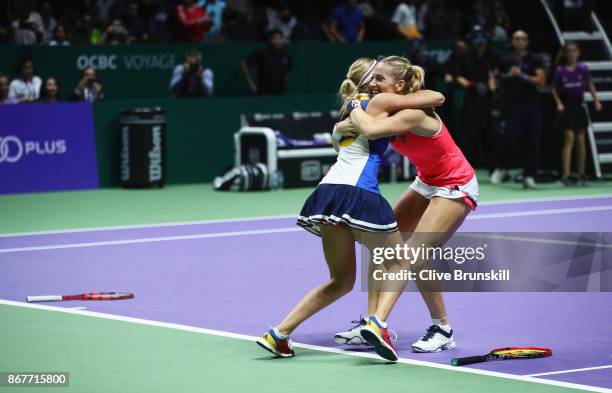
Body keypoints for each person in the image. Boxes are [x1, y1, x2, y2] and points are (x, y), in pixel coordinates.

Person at [256, 58, 445, 360]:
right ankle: (377, 323)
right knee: (399, 262)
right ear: (370, 81)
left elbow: (339, 143)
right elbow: (436, 97)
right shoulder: (379, 101)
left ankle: (278, 333)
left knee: (341, 282)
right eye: (377, 74)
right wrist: (398, 93)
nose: (379, 79)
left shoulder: (346, 109)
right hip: (360, 194)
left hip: (326, 193)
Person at [335, 55, 478, 357]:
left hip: (455, 184)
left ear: (399, 85)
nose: (373, 84)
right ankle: (370, 323)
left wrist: (353, 105)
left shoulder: (413, 113)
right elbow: (344, 129)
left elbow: (370, 130)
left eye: (380, 79)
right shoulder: (385, 107)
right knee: (380, 242)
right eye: (371, 79)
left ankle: (440, 328)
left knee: (416, 257)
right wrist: (351, 115)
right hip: (426, 182)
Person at [491, 30, 546, 189]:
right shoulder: (505, 60)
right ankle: (501, 168)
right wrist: (495, 89)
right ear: (512, 42)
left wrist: (522, 75)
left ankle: (529, 176)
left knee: (533, 141)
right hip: (512, 106)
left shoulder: (535, 59)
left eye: (523, 38)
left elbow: (541, 81)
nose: (520, 41)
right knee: (509, 139)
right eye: (517, 39)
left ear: (527, 42)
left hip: (532, 106)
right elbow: (494, 76)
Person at [552, 42, 602, 186]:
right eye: (569, 51)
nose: (571, 54)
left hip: (579, 105)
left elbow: (590, 84)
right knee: (569, 138)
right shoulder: (560, 70)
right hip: (567, 105)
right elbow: (554, 89)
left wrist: (596, 100)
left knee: (581, 139)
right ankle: (566, 175)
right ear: (565, 53)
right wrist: (559, 103)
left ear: (578, 52)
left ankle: (581, 174)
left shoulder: (583, 68)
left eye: (574, 51)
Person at [455, 26, 499, 167]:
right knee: (470, 134)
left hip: (489, 98)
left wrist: (492, 85)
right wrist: (471, 86)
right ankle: (468, 167)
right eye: (477, 40)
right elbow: (458, 76)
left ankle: (494, 167)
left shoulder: (493, 54)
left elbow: (498, 73)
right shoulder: (465, 55)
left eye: (482, 40)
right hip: (472, 98)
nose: (479, 43)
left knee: (492, 132)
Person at [241, 29, 291, 96]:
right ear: (269, 40)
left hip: (279, 93)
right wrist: (251, 84)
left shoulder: (286, 55)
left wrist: (284, 82)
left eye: (280, 38)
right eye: (274, 39)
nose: (277, 41)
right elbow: (244, 64)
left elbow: (289, 69)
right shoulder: (261, 53)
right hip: (263, 93)